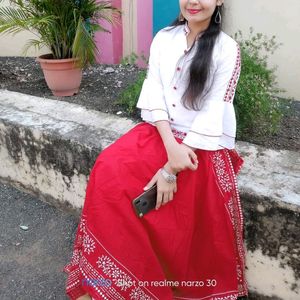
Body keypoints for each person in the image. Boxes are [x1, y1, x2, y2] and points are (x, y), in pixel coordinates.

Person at [63, 0, 249, 299]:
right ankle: (113, 284)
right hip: (162, 133)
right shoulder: (165, 37)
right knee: (110, 168)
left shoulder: (227, 49)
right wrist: (169, 147)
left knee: (173, 206)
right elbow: (154, 90)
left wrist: (171, 168)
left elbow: (215, 108)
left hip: (199, 142)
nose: (193, 2)